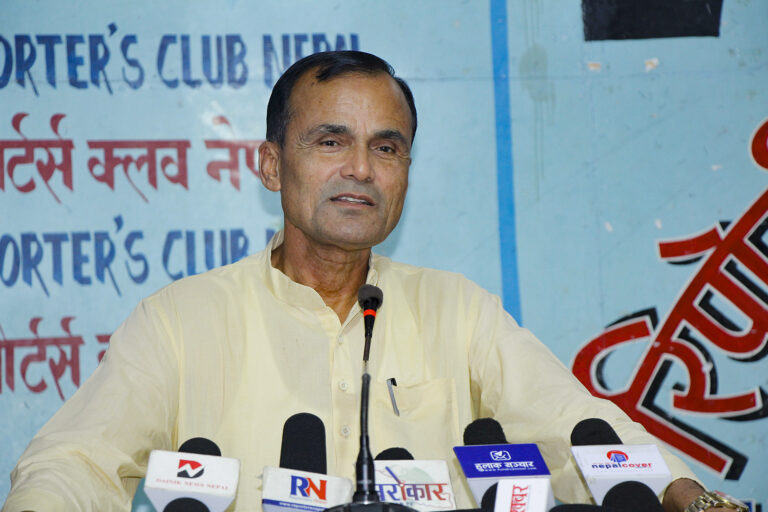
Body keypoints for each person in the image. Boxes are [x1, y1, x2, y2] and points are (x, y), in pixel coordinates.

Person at [3, 51, 733, 512]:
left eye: (386, 148)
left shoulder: (456, 310)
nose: (360, 169)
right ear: (270, 165)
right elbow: (74, 463)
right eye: (331, 142)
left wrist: (687, 498)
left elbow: (582, 430)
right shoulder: (181, 320)